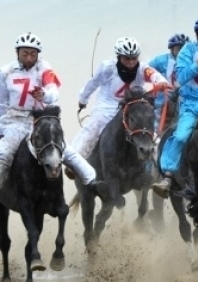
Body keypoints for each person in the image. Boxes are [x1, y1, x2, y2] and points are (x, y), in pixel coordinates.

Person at [0, 33, 107, 198]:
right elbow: (2, 103)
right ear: (17, 52)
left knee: (66, 150)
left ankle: (93, 182)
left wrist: (44, 95)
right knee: (4, 154)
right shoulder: (5, 72)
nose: (29, 58)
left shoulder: (44, 68)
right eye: (25, 53)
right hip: (15, 121)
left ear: (38, 54)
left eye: (33, 54)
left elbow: (53, 92)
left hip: (40, 120)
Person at [67, 37, 170, 165]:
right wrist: (83, 99)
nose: (131, 62)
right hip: (107, 107)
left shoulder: (143, 68)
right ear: (119, 57)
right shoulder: (107, 68)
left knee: (151, 135)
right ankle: (74, 161)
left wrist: (161, 82)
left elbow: (153, 74)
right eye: (127, 58)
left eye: (134, 58)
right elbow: (92, 83)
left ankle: (160, 166)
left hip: (132, 108)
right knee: (93, 127)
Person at [152, 16, 198, 198]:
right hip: (191, 103)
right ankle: (168, 176)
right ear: (197, 37)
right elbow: (181, 77)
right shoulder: (188, 50)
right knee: (181, 135)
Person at [149, 33, 190, 132]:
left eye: (185, 48)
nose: (182, 51)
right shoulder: (160, 61)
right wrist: (157, 82)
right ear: (172, 49)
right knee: (157, 122)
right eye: (179, 48)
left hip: (182, 99)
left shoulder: (190, 62)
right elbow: (147, 71)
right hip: (163, 99)